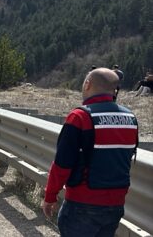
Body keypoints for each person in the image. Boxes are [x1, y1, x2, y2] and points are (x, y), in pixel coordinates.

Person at [42, 68, 139, 237]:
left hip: (82, 204)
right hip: (115, 205)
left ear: (87, 84)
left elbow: (62, 164)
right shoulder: (130, 118)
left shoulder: (79, 117)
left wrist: (50, 196)